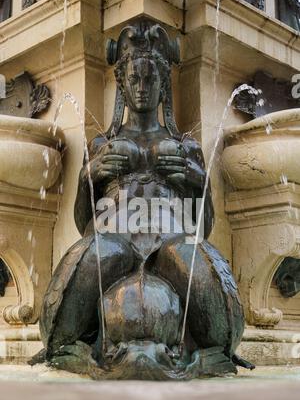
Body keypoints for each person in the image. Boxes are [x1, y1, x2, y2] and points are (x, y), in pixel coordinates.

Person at [39, 20, 249, 379]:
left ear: (164, 82)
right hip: (113, 242)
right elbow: (81, 220)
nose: (142, 88)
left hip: (171, 243)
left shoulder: (187, 147)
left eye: (150, 79)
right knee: (104, 250)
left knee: (189, 258)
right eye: (134, 79)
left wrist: (198, 184)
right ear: (121, 81)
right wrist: (89, 177)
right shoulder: (100, 145)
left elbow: (206, 225)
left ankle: (199, 350)